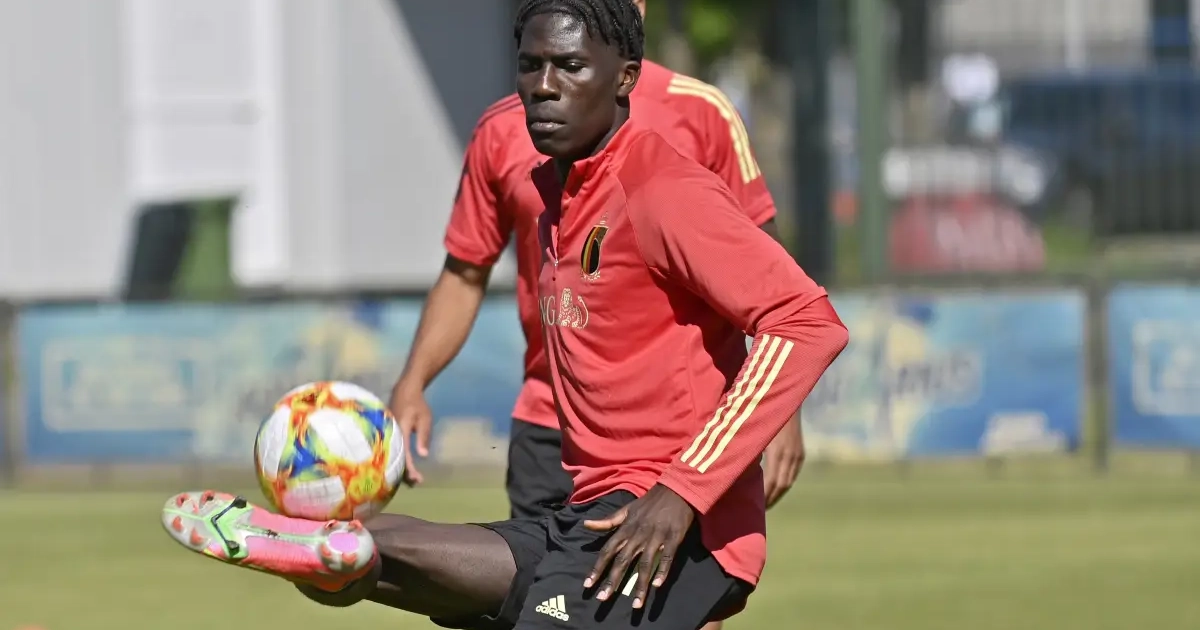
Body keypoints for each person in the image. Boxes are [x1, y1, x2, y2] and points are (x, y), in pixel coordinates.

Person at [160, 2, 847, 629]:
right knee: (393, 563)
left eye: (570, 66)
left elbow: (806, 321)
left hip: (676, 524)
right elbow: (463, 272)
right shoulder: (556, 191)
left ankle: (347, 554)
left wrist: (684, 493)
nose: (544, 86)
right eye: (530, 65)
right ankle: (341, 550)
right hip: (588, 508)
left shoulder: (662, 187)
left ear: (624, 77)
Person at [392, 0, 804, 530]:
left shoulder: (702, 112)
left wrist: (782, 415)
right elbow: (465, 273)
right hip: (549, 426)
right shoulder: (502, 128)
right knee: (534, 583)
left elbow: (767, 276)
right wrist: (413, 382)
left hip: (677, 434)